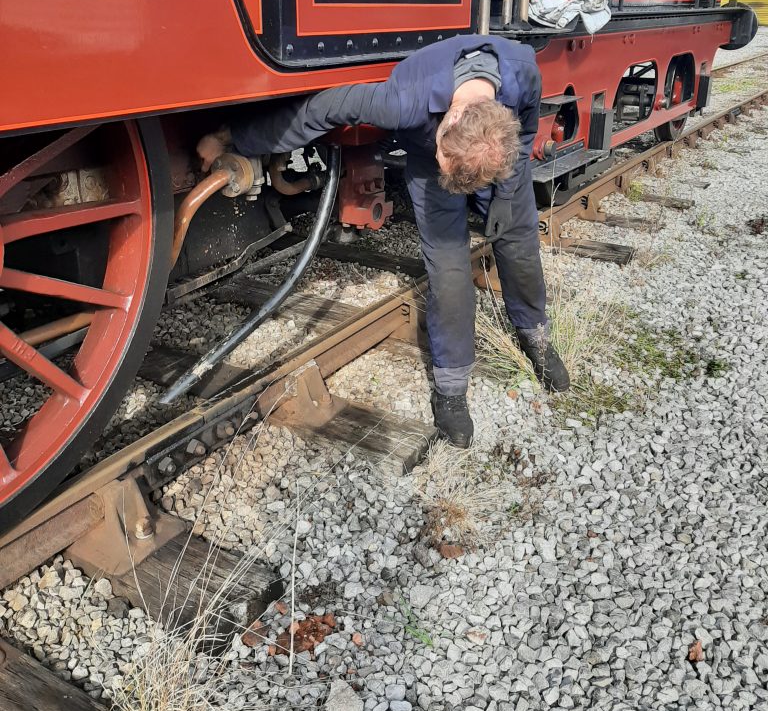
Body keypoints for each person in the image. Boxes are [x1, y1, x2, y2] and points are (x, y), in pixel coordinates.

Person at [198, 35, 569, 448]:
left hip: (497, 161)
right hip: (430, 165)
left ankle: (535, 336)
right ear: (452, 114)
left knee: (519, 245)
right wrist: (233, 138)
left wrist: (505, 191)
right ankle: (451, 387)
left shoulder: (522, 70)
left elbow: (528, 124)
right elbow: (319, 111)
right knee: (448, 272)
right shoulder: (402, 100)